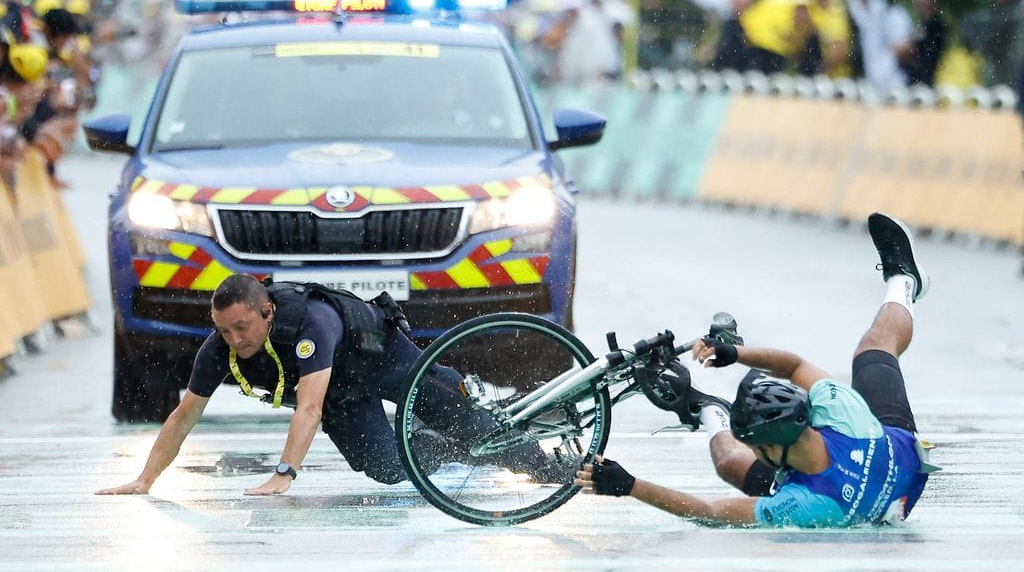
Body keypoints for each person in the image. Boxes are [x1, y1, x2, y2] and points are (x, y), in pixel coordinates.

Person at [575, 212, 938, 527]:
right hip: (891, 447)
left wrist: (631, 485)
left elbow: (712, 512)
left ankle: (708, 408)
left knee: (732, 463)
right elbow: (795, 366)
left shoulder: (806, 505)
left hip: (885, 483)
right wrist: (735, 352)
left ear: (768, 449)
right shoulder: (842, 411)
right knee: (873, 350)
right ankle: (903, 283)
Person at [97, 275, 568, 496]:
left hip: (383, 359)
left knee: (473, 424)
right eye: (224, 330)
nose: (234, 340)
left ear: (267, 313)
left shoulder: (311, 324)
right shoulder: (219, 347)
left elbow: (308, 409)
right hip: (345, 392)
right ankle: (438, 446)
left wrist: (283, 476)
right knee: (386, 467)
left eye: (241, 327)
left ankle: (548, 461)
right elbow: (183, 416)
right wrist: (145, 478)